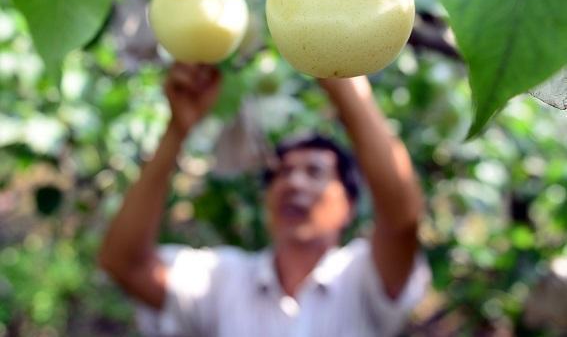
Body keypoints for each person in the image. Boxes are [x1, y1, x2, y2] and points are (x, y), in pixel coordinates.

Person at [99, 63, 429, 336]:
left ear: (349, 204)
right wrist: (177, 130)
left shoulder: (362, 279)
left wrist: (340, 76)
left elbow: (402, 219)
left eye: (314, 172)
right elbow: (126, 264)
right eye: (281, 173)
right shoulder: (223, 281)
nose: (293, 182)